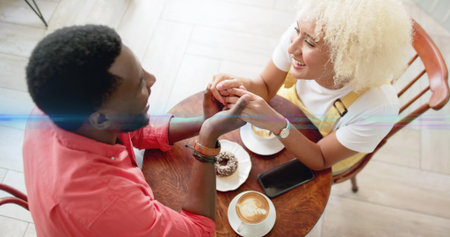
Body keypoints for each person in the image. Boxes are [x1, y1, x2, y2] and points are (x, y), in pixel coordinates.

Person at [23, 25, 248, 236]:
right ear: (101, 118)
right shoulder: (110, 202)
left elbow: (135, 132)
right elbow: (199, 231)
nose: (153, 80)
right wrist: (207, 140)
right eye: (139, 83)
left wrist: (205, 121)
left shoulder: (58, 107)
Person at [209, 0, 412, 174]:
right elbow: (265, 85)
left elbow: (321, 159)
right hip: (281, 121)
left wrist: (276, 124)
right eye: (297, 31)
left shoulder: (378, 108)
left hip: (317, 155)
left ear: (347, 58)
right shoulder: (306, 31)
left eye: (310, 44)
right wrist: (238, 84)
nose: (292, 48)